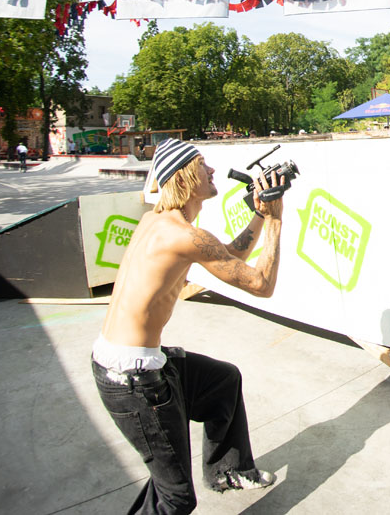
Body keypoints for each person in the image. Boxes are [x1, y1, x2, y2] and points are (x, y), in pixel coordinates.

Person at [92, 138, 283, 512]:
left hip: (133, 359)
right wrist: (276, 218)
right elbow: (262, 284)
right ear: (183, 176)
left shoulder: (162, 223)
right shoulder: (183, 236)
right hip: (130, 379)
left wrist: (258, 215)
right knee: (175, 498)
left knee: (221, 382)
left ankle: (228, 471)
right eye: (202, 164)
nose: (212, 170)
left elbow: (229, 257)